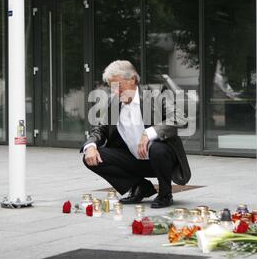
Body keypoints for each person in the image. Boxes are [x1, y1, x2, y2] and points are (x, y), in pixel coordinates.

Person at [82, 60, 191, 209]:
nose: (115, 91)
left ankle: (165, 194)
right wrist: (91, 145)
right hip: (133, 160)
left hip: (161, 160)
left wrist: (149, 133)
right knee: (92, 156)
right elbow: (100, 129)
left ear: (133, 79)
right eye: (112, 86)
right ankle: (140, 186)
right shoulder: (114, 103)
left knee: (158, 149)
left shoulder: (156, 95)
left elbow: (180, 119)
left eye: (119, 85)